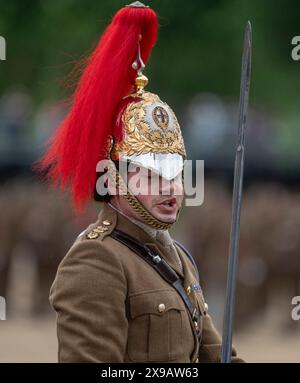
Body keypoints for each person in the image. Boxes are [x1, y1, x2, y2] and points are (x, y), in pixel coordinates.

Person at [35, 1, 244, 363]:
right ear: (112, 178)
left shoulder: (176, 255)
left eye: (175, 174)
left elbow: (214, 355)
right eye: (149, 174)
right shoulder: (95, 260)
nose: (170, 187)